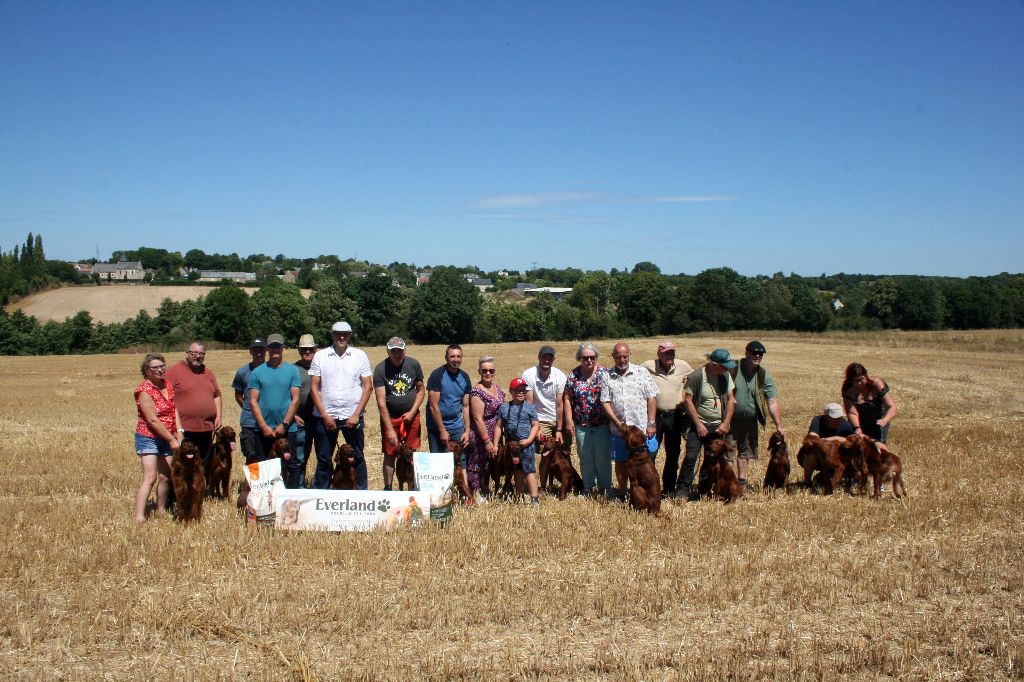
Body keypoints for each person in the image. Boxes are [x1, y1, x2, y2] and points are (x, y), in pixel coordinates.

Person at [309, 321, 373, 489]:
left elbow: (368, 387)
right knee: (324, 458)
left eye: (345, 334)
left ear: (350, 335)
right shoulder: (320, 356)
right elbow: (314, 388)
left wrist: (356, 414)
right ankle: (321, 496)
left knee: (357, 457)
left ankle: (361, 496)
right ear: (332, 335)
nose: (341, 337)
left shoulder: (360, 356)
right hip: (326, 417)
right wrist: (324, 415)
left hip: (352, 416)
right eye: (338, 333)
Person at [601, 342, 659, 493]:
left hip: (640, 429)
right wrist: (618, 424)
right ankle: (623, 492)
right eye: (618, 357)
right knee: (620, 461)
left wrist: (651, 423)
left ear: (629, 355)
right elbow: (605, 402)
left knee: (644, 461)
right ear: (613, 356)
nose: (622, 360)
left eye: (625, 357)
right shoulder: (607, 376)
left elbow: (651, 397)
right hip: (619, 431)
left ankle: (644, 489)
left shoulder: (641, 372)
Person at [679, 348, 737, 497]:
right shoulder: (697, 376)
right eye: (724, 366)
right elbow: (688, 401)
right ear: (714, 364)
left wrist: (726, 423)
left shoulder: (725, 375)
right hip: (697, 424)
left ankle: (704, 490)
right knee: (691, 457)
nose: (726, 369)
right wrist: (698, 424)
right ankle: (682, 491)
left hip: (718, 426)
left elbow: (731, 400)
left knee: (711, 459)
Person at [133, 353, 181, 523]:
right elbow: (152, 420)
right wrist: (171, 440)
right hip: (148, 437)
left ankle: (160, 509)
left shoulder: (167, 384)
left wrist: (179, 430)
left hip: (167, 435)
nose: (160, 370)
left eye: (162, 366)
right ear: (146, 370)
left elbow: (173, 409)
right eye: (155, 367)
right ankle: (139, 516)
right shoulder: (144, 391)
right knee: (150, 477)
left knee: (166, 476)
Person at [373, 336, 425, 491]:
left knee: (411, 453)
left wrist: (412, 411)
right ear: (388, 351)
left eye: (400, 350)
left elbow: (421, 390)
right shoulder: (381, 369)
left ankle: (412, 486)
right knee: (390, 454)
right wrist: (389, 429)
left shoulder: (413, 364)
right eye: (393, 351)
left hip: (411, 417)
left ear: (404, 350)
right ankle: (388, 487)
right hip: (391, 418)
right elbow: (381, 403)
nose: (397, 354)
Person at [730, 340, 784, 489]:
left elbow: (771, 401)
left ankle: (741, 482)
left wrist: (779, 425)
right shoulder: (733, 368)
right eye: (753, 352)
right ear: (746, 352)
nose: (757, 356)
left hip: (750, 420)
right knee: (728, 451)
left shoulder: (763, 375)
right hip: (729, 419)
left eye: (760, 354)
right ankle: (727, 481)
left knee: (745, 451)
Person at [248, 334, 302, 481]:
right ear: (267, 349)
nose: (275, 349)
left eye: (278, 346)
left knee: (291, 464)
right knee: (263, 464)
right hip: (264, 430)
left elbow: (295, 399)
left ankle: (292, 499)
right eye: (272, 346)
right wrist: (263, 426)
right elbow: (253, 401)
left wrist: (284, 424)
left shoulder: (292, 371)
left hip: (287, 429)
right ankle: (264, 501)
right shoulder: (258, 372)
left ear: (283, 348)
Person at [643, 340, 693, 497]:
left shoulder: (683, 366)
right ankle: (649, 487)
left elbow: (697, 378)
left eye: (672, 352)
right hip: (654, 416)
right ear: (659, 354)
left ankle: (669, 488)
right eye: (666, 353)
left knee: (673, 453)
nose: (669, 355)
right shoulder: (647, 366)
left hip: (674, 416)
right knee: (650, 453)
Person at [563, 342, 612, 494]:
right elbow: (566, 399)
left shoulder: (605, 373)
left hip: (602, 424)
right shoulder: (573, 375)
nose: (589, 360)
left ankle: (605, 487)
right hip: (581, 424)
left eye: (592, 357)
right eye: (585, 358)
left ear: (596, 357)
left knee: (603, 457)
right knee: (585, 457)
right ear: (580, 358)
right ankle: (588, 487)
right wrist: (569, 421)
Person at [164, 341, 222, 468]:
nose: (198, 356)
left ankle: (201, 488)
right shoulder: (174, 371)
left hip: (207, 428)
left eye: (201, 353)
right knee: (183, 467)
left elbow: (217, 395)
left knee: (202, 465)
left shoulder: (207, 372)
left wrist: (218, 416)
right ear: (187, 353)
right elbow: (164, 398)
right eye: (194, 352)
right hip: (184, 429)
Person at [466, 356, 505, 503]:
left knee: (489, 463)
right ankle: (475, 492)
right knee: (477, 464)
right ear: (479, 371)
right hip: (480, 435)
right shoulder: (477, 392)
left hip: (496, 433)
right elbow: (477, 419)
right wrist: (487, 441)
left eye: (491, 370)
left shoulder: (498, 388)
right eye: (485, 370)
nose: (488, 373)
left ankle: (485, 488)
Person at [497, 378, 542, 504]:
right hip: (512, 446)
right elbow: (498, 427)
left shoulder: (530, 408)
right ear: (511, 391)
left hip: (526, 445)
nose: (521, 393)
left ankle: (534, 498)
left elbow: (535, 425)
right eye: (517, 390)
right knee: (517, 471)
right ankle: (519, 496)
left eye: (523, 390)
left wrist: (529, 440)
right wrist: (496, 444)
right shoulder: (505, 407)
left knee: (529, 470)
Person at [426, 344, 472, 453]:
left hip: (457, 427)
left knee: (460, 461)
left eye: (458, 356)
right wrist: (442, 430)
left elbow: (465, 406)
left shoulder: (464, 377)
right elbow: (433, 406)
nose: (456, 359)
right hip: (437, 428)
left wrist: (467, 431)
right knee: (438, 462)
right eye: (452, 356)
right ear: (446, 357)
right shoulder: (437, 375)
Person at [521, 345, 567, 445]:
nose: (546, 361)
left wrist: (559, 429)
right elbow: (529, 403)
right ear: (538, 357)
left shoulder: (560, 376)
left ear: (554, 359)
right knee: (545, 449)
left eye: (549, 358)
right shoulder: (528, 374)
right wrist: (536, 427)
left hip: (558, 418)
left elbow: (559, 404)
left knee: (564, 449)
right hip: (541, 419)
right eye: (544, 357)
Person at [842, 363, 898, 443]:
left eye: (861, 379)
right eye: (855, 381)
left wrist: (885, 420)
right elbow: (852, 412)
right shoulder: (848, 390)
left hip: (879, 419)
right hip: (860, 419)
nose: (858, 383)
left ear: (866, 375)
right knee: (858, 444)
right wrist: (857, 427)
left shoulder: (877, 383)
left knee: (878, 445)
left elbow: (891, 407)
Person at [232, 337, 267, 465]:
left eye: (261, 350)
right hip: (249, 422)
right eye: (256, 350)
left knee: (269, 457)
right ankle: (252, 484)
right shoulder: (242, 372)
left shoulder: (273, 370)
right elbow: (238, 395)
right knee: (252, 457)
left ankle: (268, 484)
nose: (259, 353)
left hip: (269, 421)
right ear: (250, 351)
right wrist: (249, 408)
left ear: (266, 351)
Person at [292, 333, 318, 487]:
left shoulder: (322, 366)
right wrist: (293, 415)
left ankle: (321, 488)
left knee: (323, 458)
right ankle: (299, 488)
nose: (307, 352)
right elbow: (286, 396)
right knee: (300, 458)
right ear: (299, 351)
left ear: (315, 349)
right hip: (301, 421)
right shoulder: (293, 369)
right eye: (304, 350)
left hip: (320, 420)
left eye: (310, 349)